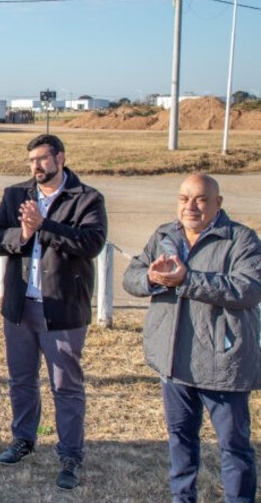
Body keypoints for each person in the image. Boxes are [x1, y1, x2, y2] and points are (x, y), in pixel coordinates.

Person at [123, 173, 260, 502]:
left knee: (233, 445)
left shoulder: (240, 240)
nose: (191, 207)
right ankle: (182, 497)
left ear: (218, 203)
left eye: (200, 199)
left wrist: (187, 279)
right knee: (180, 439)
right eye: (184, 199)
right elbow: (132, 276)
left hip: (222, 362)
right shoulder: (165, 234)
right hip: (173, 359)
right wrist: (152, 278)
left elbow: (248, 289)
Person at [0, 134, 107, 491]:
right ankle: (23, 439)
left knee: (65, 385)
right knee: (21, 379)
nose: (36, 166)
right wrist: (20, 236)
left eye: (42, 159)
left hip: (62, 309)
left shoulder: (86, 198)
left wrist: (44, 227)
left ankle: (70, 454)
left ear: (60, 158)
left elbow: (91, 243)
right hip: (20, 307)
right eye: (31, 161)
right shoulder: (15, 194)